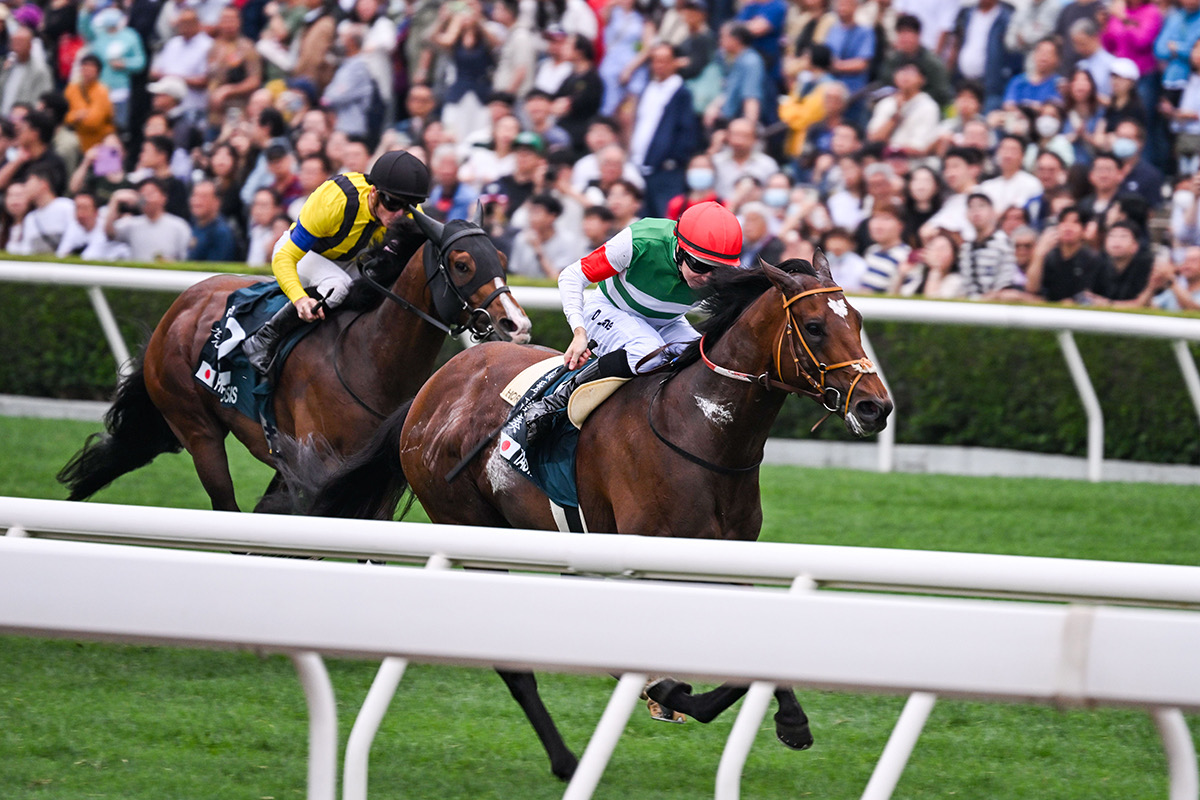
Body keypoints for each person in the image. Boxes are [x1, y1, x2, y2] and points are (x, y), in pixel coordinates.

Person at [522, 200, 743, 442]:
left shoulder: (720, 274)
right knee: (648, 353)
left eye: (718, 270)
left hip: (667, 323)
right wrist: (579, 332)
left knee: (703, 358)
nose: (708, 278)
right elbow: (572, 276)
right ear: (679, 248)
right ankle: (555, 401)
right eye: (700, 265)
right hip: (608, 310)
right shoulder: (640, 240)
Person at [241, 150, 431, 375]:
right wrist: (300, 299)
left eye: (408, 206)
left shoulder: (410, 214)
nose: (399, 214)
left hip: (347, 260)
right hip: (304, 255)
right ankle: (263, 339)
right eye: (392, 203)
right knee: (338, 286)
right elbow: (286, 257)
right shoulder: (335, 200)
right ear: (374, 193)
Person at [630, 43, 699, 218]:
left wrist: (671, 160)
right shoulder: (649, 88)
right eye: (655, 61)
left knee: (666, 219)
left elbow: (687, 131)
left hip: (666, 170)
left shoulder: (681, 92)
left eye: (664, 61)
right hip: (642, 167)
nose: (659, 65)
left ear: (675, 62)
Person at [1024, 205, 1107, 301]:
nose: (1068, 227)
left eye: (1075, 222)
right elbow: (1031, 288)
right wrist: (1039, 254)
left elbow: (1088, 295)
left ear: (1084, 230)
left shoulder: (1092, 259)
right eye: (1063, 221)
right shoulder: (1049, 256)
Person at [104, 178, 192, 263]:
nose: (146, 198)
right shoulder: (132, 224)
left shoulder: (179, 226)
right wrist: (115, 200)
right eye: (142, 194)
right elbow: (110, 234)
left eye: (150, 193)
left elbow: (186, 258)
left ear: (164, 197)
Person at [959, 192, 1020, 298]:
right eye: (971, 207)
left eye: (981, 206)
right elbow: (966, 284)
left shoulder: (1004, 244)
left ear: (993, 212)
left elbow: (1005, 283)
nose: (976, 211)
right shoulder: (966, 249)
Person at [508, 193, 582, 278]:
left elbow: (558, 278)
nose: (531, 218)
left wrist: (538, 250)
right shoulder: (521, 238)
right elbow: (515, 274)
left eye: (536, 213)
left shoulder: (567, 241)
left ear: (552, 216)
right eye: (530, 212)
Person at [8, 167, 74, 255]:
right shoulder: (30, 218)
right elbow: (27, 249)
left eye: (29, 182)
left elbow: (73, 237)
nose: (26, 187)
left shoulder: (66, 206)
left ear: (43, 184)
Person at [0, 26, 54, 118]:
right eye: (14, 42)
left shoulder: (41, 70)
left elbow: (43, 100)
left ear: (30, 45)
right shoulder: (7, 66)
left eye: (21, 42)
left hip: (23, 121)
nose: (17, 45)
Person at [188, 180, 240, 262]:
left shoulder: (221, 233)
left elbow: (215, 267)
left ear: (217, 202)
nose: (196, 201)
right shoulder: (192, 224)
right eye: (194, 195)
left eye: (203, 197)